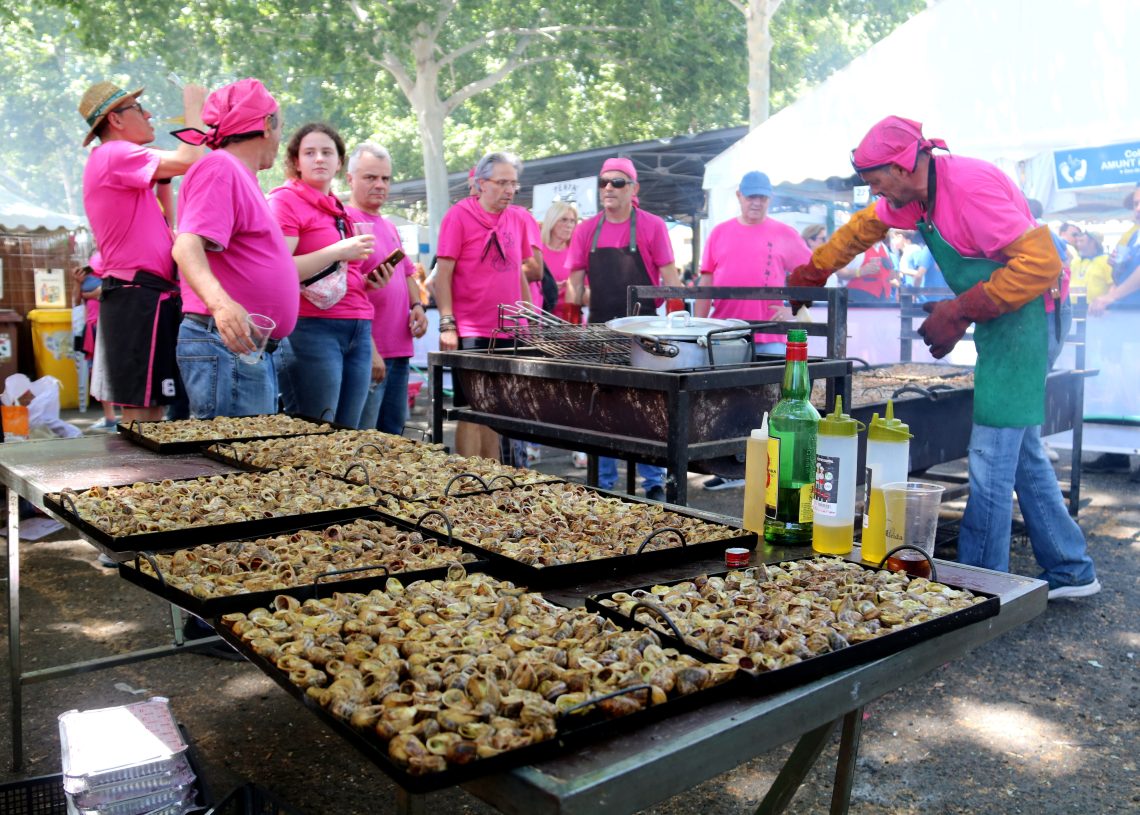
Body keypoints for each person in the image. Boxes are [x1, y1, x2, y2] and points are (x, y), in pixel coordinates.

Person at [789, 115, 1099, 600]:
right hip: (1006, 318)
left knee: (991, 454)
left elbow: (1042, 264)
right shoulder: (911, 199)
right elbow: (862, 228)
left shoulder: (970, 186)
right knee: (1020, 453)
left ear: (905, 165)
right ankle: (1071, 569)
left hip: (1032, 318)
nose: (875, 192)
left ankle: (979, 587)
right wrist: (813, 269)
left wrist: (960, 310)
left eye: (876, 181)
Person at [79, 79, 207, 423]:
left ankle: (144, 475)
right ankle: (141, 477)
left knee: (150, 408)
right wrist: (194, 108)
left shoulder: (119, 165)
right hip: (138, 297)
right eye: (137, 108)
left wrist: (161, 180)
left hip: (144, 296)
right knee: (143, 413)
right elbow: (190, 158)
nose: (149, 114)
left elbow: (169, 223)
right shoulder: (112, 154)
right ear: (116, 120)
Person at [171, 78, 300, 418]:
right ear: (267, 125)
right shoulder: (220, 167)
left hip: (243, 348)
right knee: (229, 461)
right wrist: (222, 304)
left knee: (245, 460)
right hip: (226, 343)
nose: (280, 137)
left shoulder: (240, 175)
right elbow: (186, 246)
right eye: (280, 126)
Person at [566, 157, 682, 500]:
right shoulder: (586, 229)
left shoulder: (652, 226)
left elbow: (671, 279)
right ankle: (602, 482)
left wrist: (677, 324)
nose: (608, 189)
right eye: (604, 182)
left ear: (634, 189)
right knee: (600, 404)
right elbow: (574, 284)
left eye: (617, 183)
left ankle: (654, 481)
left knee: (645, 405)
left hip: (644, 331)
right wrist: (573, 327)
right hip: (601, 331)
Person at [694, 170, 810, 491]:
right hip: (726, 336)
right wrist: (699, 325)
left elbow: (813, 273)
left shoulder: (785, 233)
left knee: (771, 404)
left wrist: (794, 308)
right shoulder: (719, 233)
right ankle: (730, 467)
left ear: (769, 198)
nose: (755, 202)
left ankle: (774, 472)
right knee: (726, 403)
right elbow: (706, 279)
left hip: (770, 335)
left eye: (761, 196)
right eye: (750, 196)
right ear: (739, 197)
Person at [268, 123, 378, 427]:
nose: (319, 159)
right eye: (310, 152)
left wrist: (369, 281)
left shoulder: (338, 207)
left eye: (327, 152)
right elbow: (280, 270)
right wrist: (338, 251)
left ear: (339, 162)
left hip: (358, 325)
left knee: (347, 435)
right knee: (316, 432)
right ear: (295, 162)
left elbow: (336, 274)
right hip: (310, 328)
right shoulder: (284, 201)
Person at [435, 151, 537, 459]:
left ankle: (492, 478)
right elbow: (444, 273)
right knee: (470, 409)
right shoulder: (459, 216)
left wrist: (528, 316)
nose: (509, 190)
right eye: (502, 182)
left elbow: (518, 270)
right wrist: (447, 323)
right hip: (471, 328)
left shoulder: (517, 218)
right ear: (481, 184)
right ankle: (468, 477)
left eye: (514, 183)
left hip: (508, 329)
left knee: (496, 409)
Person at [346, 142, 428, 435]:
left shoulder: (388, 226)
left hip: (399, 349)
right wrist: (370, 349)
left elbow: (407, 273)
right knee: (366, 439)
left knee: (393, 437)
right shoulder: (346, 222)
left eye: (385, 178)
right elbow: (347, 293)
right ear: (350, 179)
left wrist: (417, 306)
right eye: (370, 177)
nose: (380, 185)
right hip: (368, 351)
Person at [1091, 184, 1140, 315]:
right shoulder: (1134, 237)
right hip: (1128, 314)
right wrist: (1118, 268)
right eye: (1136, 204)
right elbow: (1119, 278)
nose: (1138, 208)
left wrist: (1112, 296)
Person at [541, 200, 581, 322]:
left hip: (569, 324)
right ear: (551, 222)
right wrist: (549, 288)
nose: (569, 225)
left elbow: (586, 290)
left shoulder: (578, 255)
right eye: (564, 220)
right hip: (540, 323)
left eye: (572, 221)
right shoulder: (537, 251)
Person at [1070, 230, 1112, 302]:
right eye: (1077, 241)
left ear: (1093, 243)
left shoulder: (1106, 261)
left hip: (1096, 308)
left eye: (1081, 241)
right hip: (1075, 307)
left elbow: (1112, 285)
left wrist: (1107, 301)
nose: (1078, 244)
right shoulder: (1075, 261)